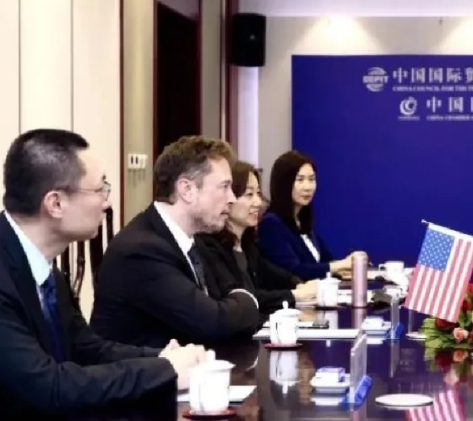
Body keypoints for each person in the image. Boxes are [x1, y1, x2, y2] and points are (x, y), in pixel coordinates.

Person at [0, 129, 203, 417]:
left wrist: (163, 357)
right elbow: (47, 386)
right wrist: (164, 370)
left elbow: (87, 349)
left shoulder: (45, 270)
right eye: (99, 190)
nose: (106, 203)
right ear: (55, 203)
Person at [91, 137, 261, 347]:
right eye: (224, 187)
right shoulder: (142, 250)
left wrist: (236, 302)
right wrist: (248, 302)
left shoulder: (192, 240)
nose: (232, 198)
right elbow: (213, 322)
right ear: (187, 189)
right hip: (142, 367)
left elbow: (228, 295)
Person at [195, 161, 319, 314]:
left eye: (258, 194)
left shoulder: (248, 246)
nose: (258, 203)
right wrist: (294, 295)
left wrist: (297, 284)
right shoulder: (210, 246)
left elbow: (274, 274)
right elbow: (242, 296)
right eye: (249, 195)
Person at [257, 151, 365, 280]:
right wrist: (339, 265)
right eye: (300, 180)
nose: (307, 187)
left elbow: (326, 262)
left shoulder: (303, 221)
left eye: (311, 179)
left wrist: (345, 268)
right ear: (284, 183)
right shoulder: (271, 224)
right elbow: (294, 270)